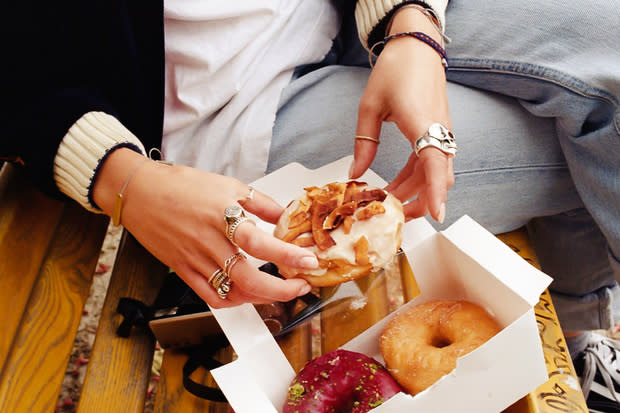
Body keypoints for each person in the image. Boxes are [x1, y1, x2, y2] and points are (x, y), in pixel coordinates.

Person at [2, 0, 619, 410]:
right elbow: (22, 83)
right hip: (226, 115)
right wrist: (127, 180)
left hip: (350, 25)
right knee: (593, 139)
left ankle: (573, 324)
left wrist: (408, 27)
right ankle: (575, 322)